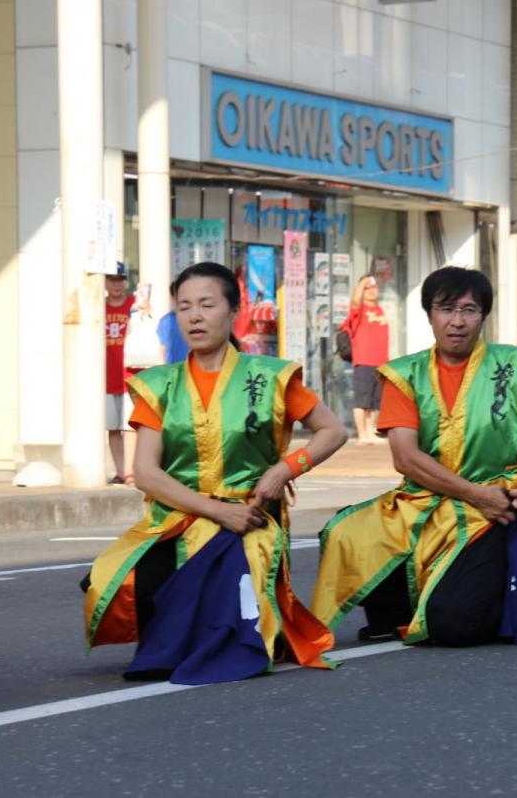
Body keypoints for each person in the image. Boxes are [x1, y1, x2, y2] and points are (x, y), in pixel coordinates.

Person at [82, 263, 347, 684]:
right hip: (182, 517)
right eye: (184, 306)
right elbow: (146, 473)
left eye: (207, 305)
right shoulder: (160, 384)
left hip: (250, 519)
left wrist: (282, 471)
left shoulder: (269, 376)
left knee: (232, 617)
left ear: (233, 311)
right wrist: (217, 511)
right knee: (114, 579)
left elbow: (333, 431)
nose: (195, 317)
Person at [311, 267, 517, 647]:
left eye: (469, 310)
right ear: (429, 314)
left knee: (455, 627)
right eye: (446, 309)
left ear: (483, 315)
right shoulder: (405, 373)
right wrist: (474, 494)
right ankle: (396, 613)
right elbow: (405, 458)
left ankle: (487, 597)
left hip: (492, 510)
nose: (457, 321)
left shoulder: (514, 365)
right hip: (427, 499)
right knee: (345, 532)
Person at [342, 274, 390, 444]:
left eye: (374, 287)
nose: (371, 291)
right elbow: (355, 300)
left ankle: (371, 432)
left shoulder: (380, 309)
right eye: (367, 288)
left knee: (375, 401)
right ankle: (362, 434)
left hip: (381, 362)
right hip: (364, 361)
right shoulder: (359, 308)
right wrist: (363, 282)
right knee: (362, 400)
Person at [106, 264, 137, 485]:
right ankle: (119, 471)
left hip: (130, 376)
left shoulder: (133, 305)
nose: (117, 284)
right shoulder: (97, 307)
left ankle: (130, 472)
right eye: (112, 279)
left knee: (130, 427)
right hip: (106, 377)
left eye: (121, 279)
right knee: (113, 427)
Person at [156, 284, 189, 365]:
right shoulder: (166, 321)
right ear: (172, 298)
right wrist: (165, 369)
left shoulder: (196, 318)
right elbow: (162, 350)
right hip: (174, 369)